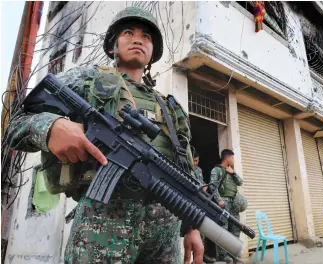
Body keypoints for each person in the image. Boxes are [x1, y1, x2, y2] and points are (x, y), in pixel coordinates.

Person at [4, 7, 204, 264]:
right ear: (112, 46)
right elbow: (17, 123)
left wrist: (192, 226)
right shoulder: (88, 80)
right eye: (128, 32)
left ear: (153, 51)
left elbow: (186, 171)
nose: (137, 40)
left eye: (146, 37)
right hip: (103, 221)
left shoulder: (170, 107)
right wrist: (52, 127)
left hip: (164, 231)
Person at [209, 149, 243, 264]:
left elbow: (240, 182)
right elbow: (213, 186)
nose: (233, 160)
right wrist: (219, 200)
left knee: (235, 228)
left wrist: (233, 173)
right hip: (223, 203)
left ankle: (234, 253)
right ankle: (223, 256)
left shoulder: (232, 171)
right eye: (232, 158)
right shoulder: (217, 170)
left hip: (234, 204)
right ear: (227, 157)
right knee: (223, 229)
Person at [192, 149, 216, 264]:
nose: (196, 163)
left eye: (197, 161)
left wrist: (204, 187)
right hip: (191, 202)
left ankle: (201, 255)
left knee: (201, 229)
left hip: (200, 201)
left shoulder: (199, 170)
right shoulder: (185, 167)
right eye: (194, 160)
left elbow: (200, 181)